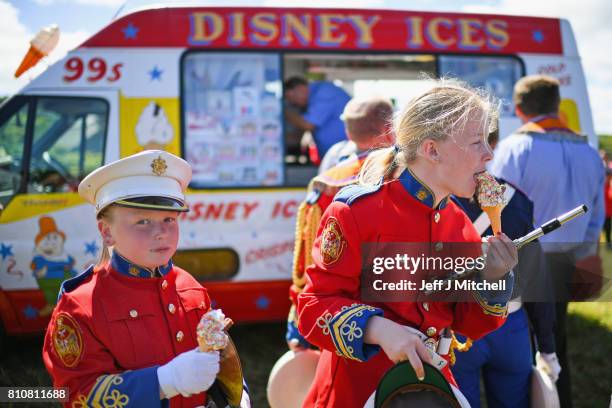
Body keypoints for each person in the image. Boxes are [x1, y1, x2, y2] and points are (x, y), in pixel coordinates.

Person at [296, 79, 518, 407]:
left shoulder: (459, 224)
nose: (488, 154)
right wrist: (378, 330)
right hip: (358, 392)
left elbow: (470, 324)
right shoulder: (357, 211)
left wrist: (494, 279)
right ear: (431, 150)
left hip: (431, 389)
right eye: (476, 142)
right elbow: (312, 307)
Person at [42, 150, 250, 407]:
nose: (161, 232)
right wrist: (163, 382)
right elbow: (77, 395)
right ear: (107, 232)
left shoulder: (190, 287)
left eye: (169, 219)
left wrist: (237, 394)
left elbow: (220, 353)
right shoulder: (80, 308)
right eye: (142, 221)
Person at [490, 75, 605, 408]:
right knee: (556, 339)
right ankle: (558, 398)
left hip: (523, 259)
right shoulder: (588, 152)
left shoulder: (514, 148)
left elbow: (497, 207)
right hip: (566, 258)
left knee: (523, 341)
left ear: (521, 109)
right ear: (557, 105)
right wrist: (585, 253)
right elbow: (595, 216)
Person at [451, 127, 559, 408]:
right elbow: (537, 278)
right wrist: (546, 346)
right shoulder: (518, 200)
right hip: (510, 325)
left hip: (457, 325)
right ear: (495, 144)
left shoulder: (437, 199)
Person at [286, 97, 395, 351]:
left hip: (341, 308)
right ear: (390, 129)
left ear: (348, 131)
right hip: (398, 302)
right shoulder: (411, 173)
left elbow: (308, 256)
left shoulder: (328, 180)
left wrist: (298, 323)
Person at [318, 97, 396, 173]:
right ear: (388, 128)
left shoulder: (336, 154)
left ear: (348, 133)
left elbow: (320, 183)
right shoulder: (399, 162)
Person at [284, 76, 351, 159]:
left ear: (301, 88)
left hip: (345, 155)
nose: (292, 103)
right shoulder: (311, 100)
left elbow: (308, 125)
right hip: (336, 155)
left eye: (292, 98)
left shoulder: (324, 93)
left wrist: (283, 112)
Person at [600, 150, 612, 249]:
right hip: (602, 196)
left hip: (607, 198)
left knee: (607, 221)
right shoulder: (600, 167)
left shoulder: (608, 168)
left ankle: (608, 242)